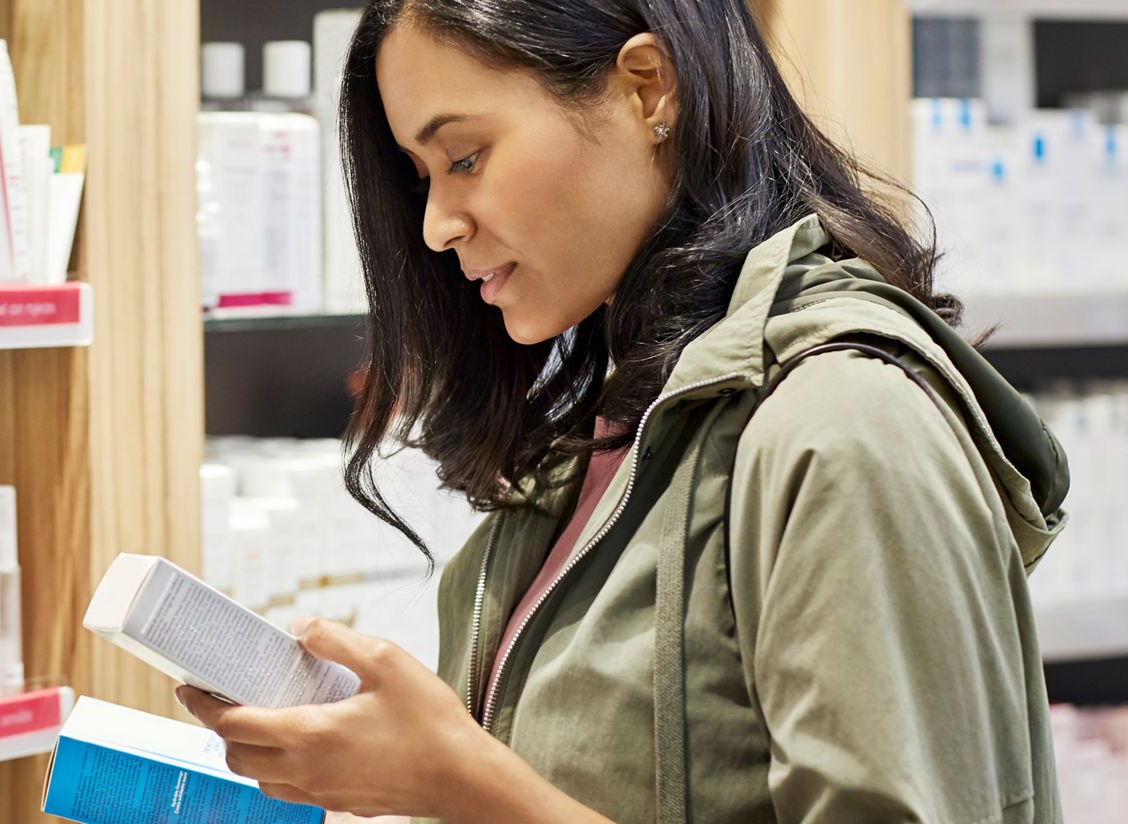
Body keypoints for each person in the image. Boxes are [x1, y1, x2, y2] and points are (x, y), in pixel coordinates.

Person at [177, 1, 1071, 822]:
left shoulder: (842, 424)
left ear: (647, 89)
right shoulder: (606, 434)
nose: (435, 226)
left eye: (464, 158)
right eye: (421, 179)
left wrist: (461, 782)